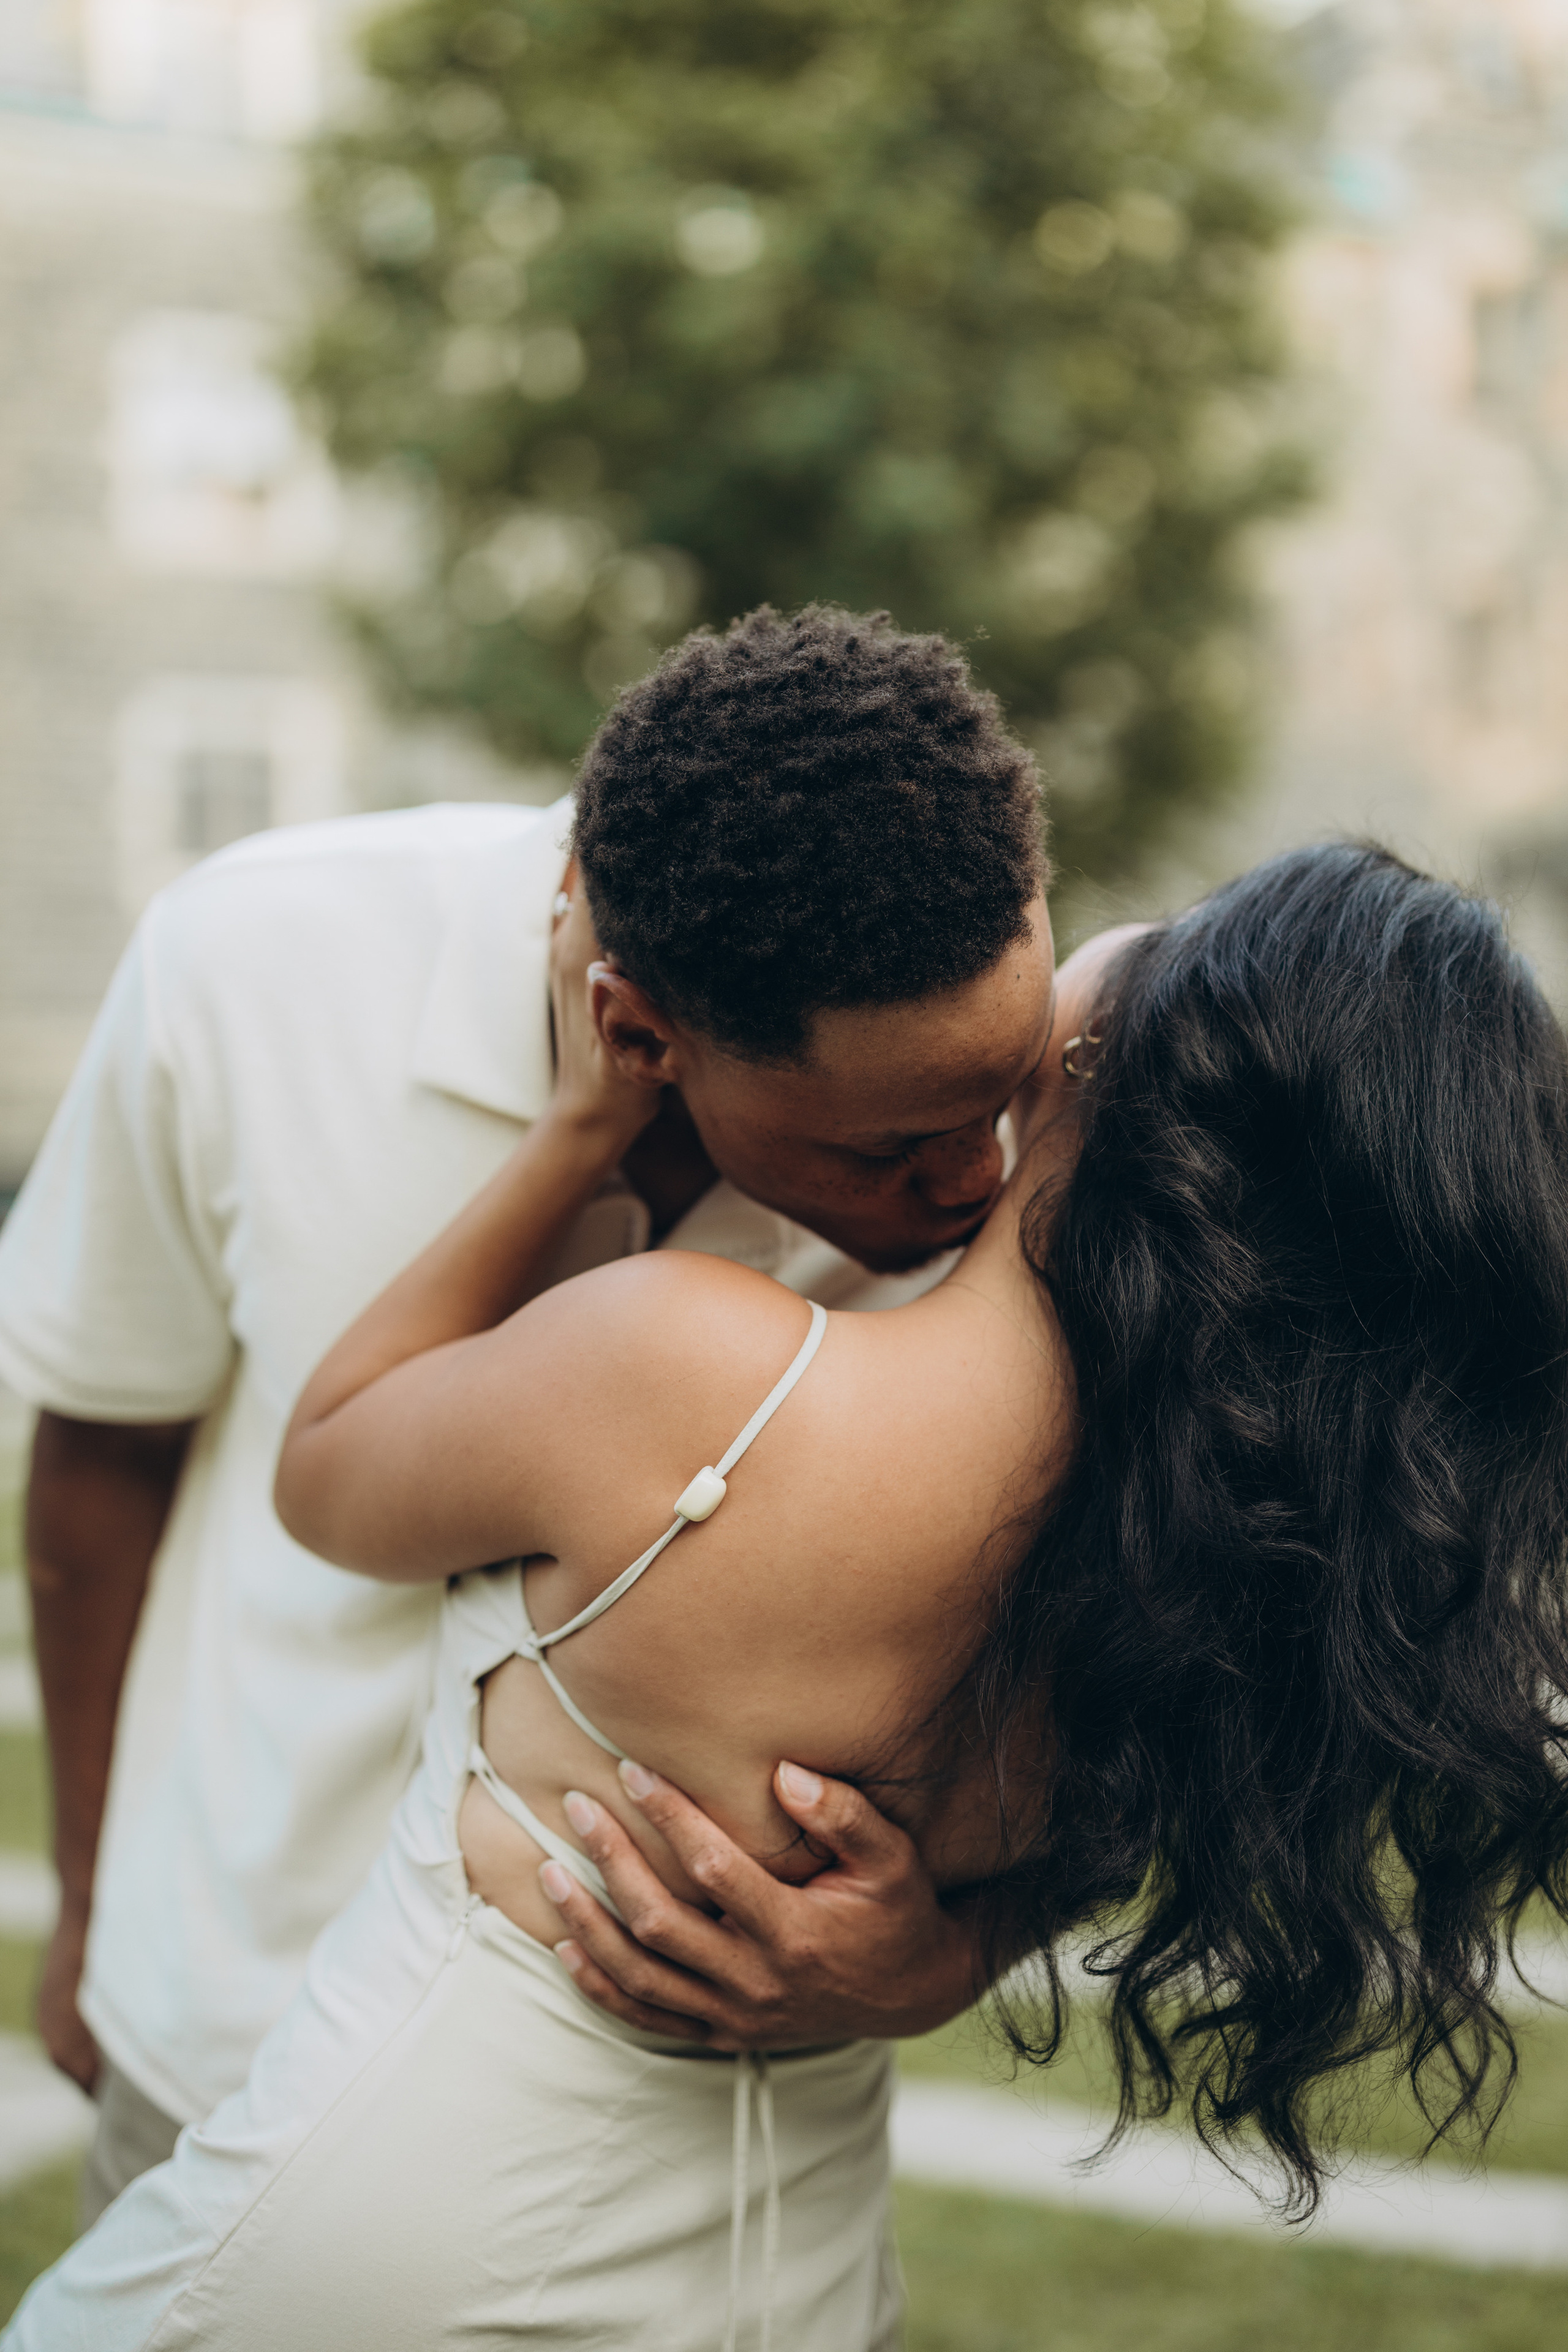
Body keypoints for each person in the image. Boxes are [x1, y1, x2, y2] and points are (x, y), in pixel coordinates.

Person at [11, 840, 1568, 2352]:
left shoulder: (695, 1373)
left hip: (406, 2235)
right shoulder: (1209, 1553)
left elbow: (327, 1472)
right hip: (799, 2269)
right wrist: (945, 1959)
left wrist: (570, 1136)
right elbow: (1185, 1795)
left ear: (1132, 1055)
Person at [0, 607, 1046, 2223]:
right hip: (232, 2054)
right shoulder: (248, 968)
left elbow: (1162, 1607)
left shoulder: (1014, 1046)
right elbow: (105, 1454)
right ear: (637, 1033)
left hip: (716, 2143)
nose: (983, 1179)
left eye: (1005, 1093)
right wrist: (85, 1904)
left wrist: (957, 1949)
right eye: (891, 1147)